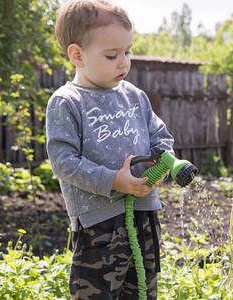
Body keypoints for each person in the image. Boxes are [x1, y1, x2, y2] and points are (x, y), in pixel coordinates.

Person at [45, 0, 174, 299]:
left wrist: (160, 169)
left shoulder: (135, 96)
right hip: (98, 225)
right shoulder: (67, 101)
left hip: (144, 215)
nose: (124, 62)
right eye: (112, 55)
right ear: (77, 55)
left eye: (127, 51)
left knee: (143, 290)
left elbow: (162, 140)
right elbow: (64, 162)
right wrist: (113, 180)